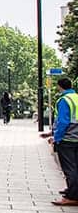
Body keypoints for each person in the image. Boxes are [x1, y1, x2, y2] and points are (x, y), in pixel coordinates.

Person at [47, 78, 78, 206]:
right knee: (76, 166)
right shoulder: (76, 97)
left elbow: (63, 122)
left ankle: (72, 196)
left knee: (69, 168)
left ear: (60, 87)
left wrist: (56, 137)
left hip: (67, 138)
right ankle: (72, 190)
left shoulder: (64, 100)